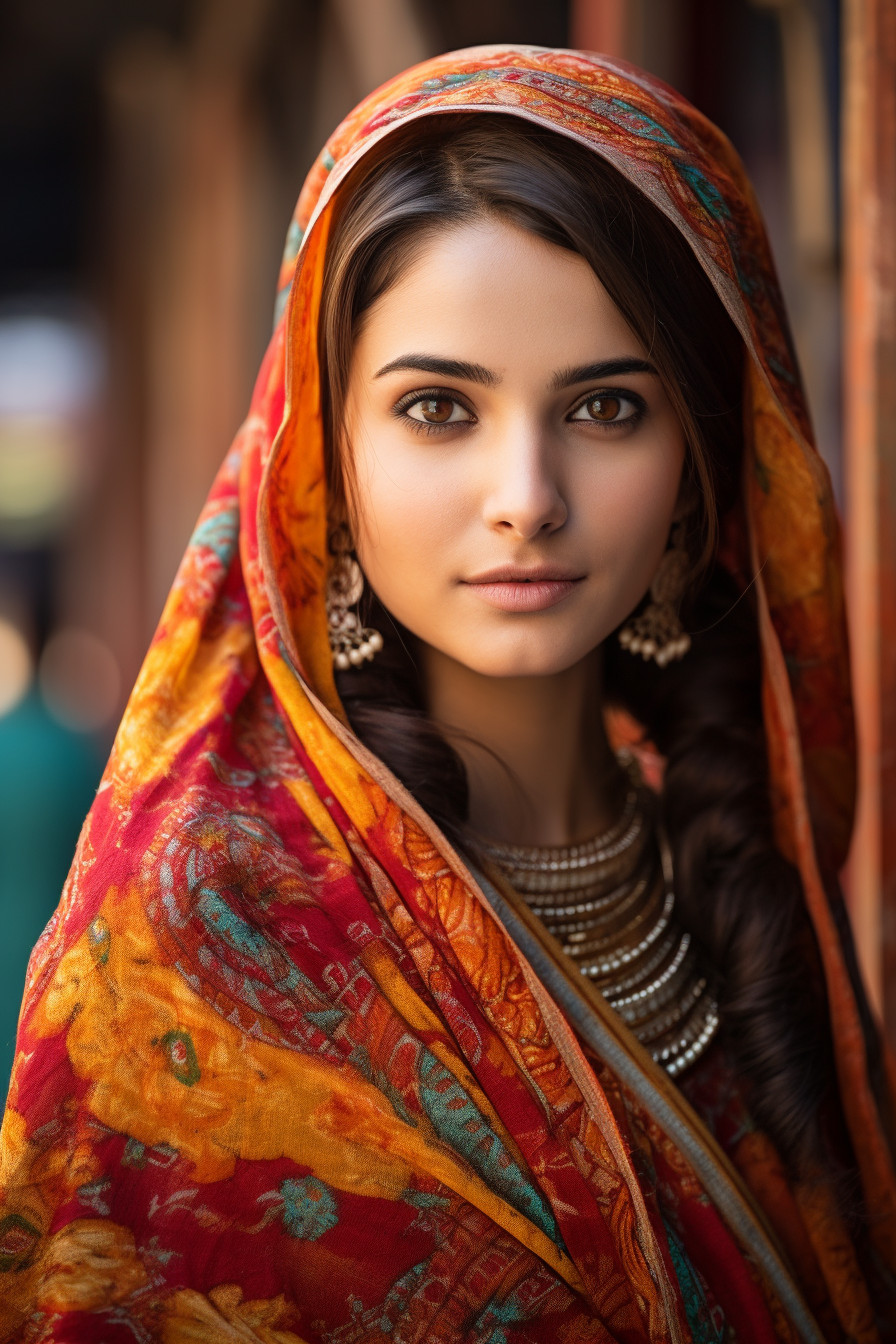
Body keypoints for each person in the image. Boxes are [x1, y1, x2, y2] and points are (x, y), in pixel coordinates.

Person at [0, 44, 893, 1343]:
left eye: (603, 408)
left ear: (703, 475)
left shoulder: (738, 891)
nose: (525, 493)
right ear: (324, 464)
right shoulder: (202, 938)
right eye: (437, 409)